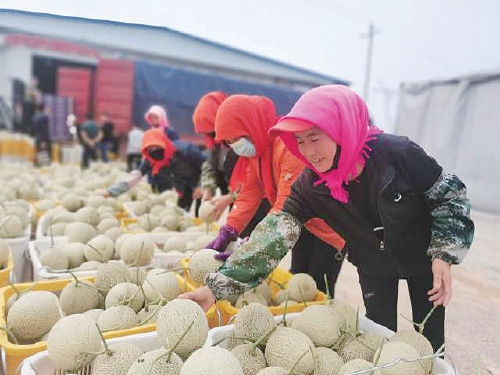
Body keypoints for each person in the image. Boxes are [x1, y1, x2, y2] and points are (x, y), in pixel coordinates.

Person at [180, 85, 475, 352]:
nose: (308, 152)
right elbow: (274, 235)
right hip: (373, 265)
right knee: (381, 339)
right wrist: (217, 287)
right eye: (300, 141)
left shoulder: (398, 154)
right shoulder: (310, 185)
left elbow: (450, 196)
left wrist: (443, 253)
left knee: (430, 339)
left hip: (421, 257)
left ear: (339, 128)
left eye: (315, 138)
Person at [203, 94, 345, 296]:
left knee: (318, 289)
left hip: (328, 227)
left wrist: (254, 243)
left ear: (251, 125)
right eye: (229, 142)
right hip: (302, 224)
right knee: (296, 280)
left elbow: (285, 202)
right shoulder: (258, 152)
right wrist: (230, 229)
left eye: (237, 138)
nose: (235, 146)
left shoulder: (288, 146)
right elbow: (249, 195)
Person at [192, 91, 270, 237]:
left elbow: (255, 183)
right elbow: (210, 165)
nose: (213, 138)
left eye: (213, 131)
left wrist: (230, 197)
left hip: (259, 204)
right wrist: (208, 188)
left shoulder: (247, 142)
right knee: (237, 237)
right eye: (207, 133)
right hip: (238, 202)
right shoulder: (215, 144)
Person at [107, 128, 205, 211]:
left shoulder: (186, 150)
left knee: (202, 211)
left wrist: (200, 186)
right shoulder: (151, 159)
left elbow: (206, 166)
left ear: (163, 142)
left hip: (202, 180)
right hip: (183, 185)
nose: (154, 151)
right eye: (150, 149)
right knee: (182, 210)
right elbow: (135, 176)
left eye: (156, 146)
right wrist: (111, 192)